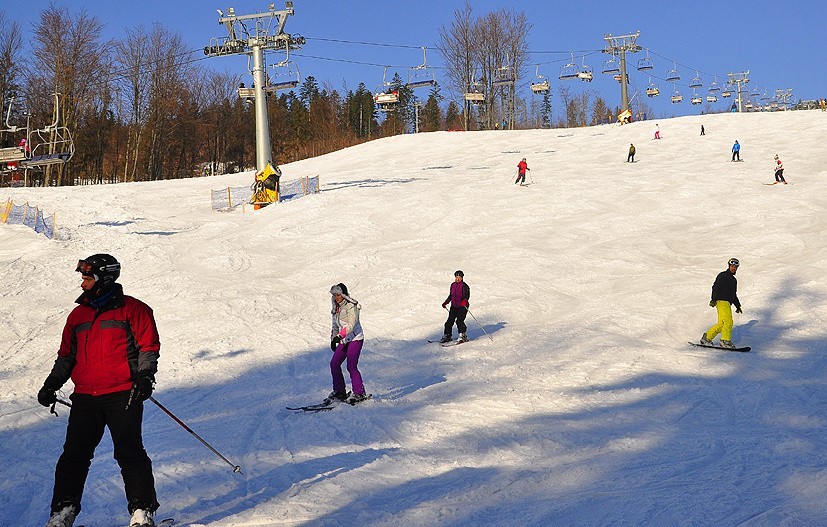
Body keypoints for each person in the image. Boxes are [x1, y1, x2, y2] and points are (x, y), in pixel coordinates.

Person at [37, 254, 161, 527]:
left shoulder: (135, 310)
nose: (82, 284)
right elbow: (66, 356)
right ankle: (62, 512)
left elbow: (148, 347)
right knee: (73, 456)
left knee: (129, 453)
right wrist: (51, 383)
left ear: (104, 279)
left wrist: (144, 377)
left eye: (87, 278)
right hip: (85, 397)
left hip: (123, 394)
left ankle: (142, 512)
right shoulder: (77, 315)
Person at [328, 283, 368, 404]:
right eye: (334, 295)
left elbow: (352, 324)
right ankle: (339, 391)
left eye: (338, 294)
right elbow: (335, 325)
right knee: (334, 363)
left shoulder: (351, 306)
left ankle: (359, 393)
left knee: (351, 366)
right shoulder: (336, 308)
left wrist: (340, 336)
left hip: (355, 338)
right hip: (344, 340)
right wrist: (333, 339)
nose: (336, 297)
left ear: (343, 294)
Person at [700, 258, 742, 349]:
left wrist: (738, 306)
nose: (734, 268)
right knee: (728, 322)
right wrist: (713, 299)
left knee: (722, 324)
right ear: (729, 266)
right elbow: (715, 287)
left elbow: (733, 294)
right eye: (732, 266)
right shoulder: (722, 276)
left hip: (727, 303)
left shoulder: (734, 280)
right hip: (721, 301)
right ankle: (725, 341)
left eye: (736, 267)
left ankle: (707, 338)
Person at [440, 270, 470, 343]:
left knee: (459, 320)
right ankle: (447, 335)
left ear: (462, 278)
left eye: (459, 277)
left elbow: (467, 295)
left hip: (462, 306)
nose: (457, 279)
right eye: (456, 277)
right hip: (454, 306)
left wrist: (464, 301)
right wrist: (446, 302)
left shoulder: (464, 286)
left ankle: (462, 335)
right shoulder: (453, 285)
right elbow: (451, 295)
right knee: (449, 321)